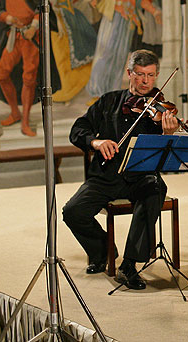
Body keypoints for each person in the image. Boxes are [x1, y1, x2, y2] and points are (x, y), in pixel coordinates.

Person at [63, 49, 180, 290]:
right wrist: (96, 142)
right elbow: (78, 129)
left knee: (155, 189)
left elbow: (166, 153)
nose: (145, 81)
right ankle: (103, 251)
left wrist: (167, 134)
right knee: (72, 211)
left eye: (150, 75)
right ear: (129, 74)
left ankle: (129, 264)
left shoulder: (159, 109)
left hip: (141, 176)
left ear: (157, 75)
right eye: (139, 74)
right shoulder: (108, 101)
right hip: (105, 175)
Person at [0, 0, 60, 137]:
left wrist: (34, 26)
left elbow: (42, 10)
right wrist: (6, 17)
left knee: (29, 79)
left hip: (31, 39)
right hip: (13, 36)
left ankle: (26, 121)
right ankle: (15, 112)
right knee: (1, 74)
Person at [47, 0, 96, 103]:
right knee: (63, 54)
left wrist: (85, 1)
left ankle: (82, 86)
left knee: (88, 45)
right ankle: (67, 88)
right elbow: (51, 3)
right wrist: (58, 22)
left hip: (74, 15)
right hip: (58, 18)